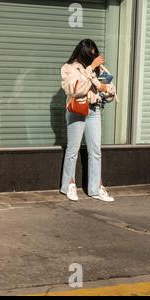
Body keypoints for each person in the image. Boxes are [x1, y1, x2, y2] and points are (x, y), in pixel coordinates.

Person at [60, 39, 117, 202]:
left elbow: (109, 88)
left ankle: (96, 188)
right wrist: (91, 68)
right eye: (90, 54)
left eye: (94, 54)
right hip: (77, 109)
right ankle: (69, 184)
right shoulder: (68, 68)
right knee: (73, 149)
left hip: (94, 110)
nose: (93, 57)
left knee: (95, 150)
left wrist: (107, 90)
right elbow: (75, 90)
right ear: (83, 52)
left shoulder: (98, 68)